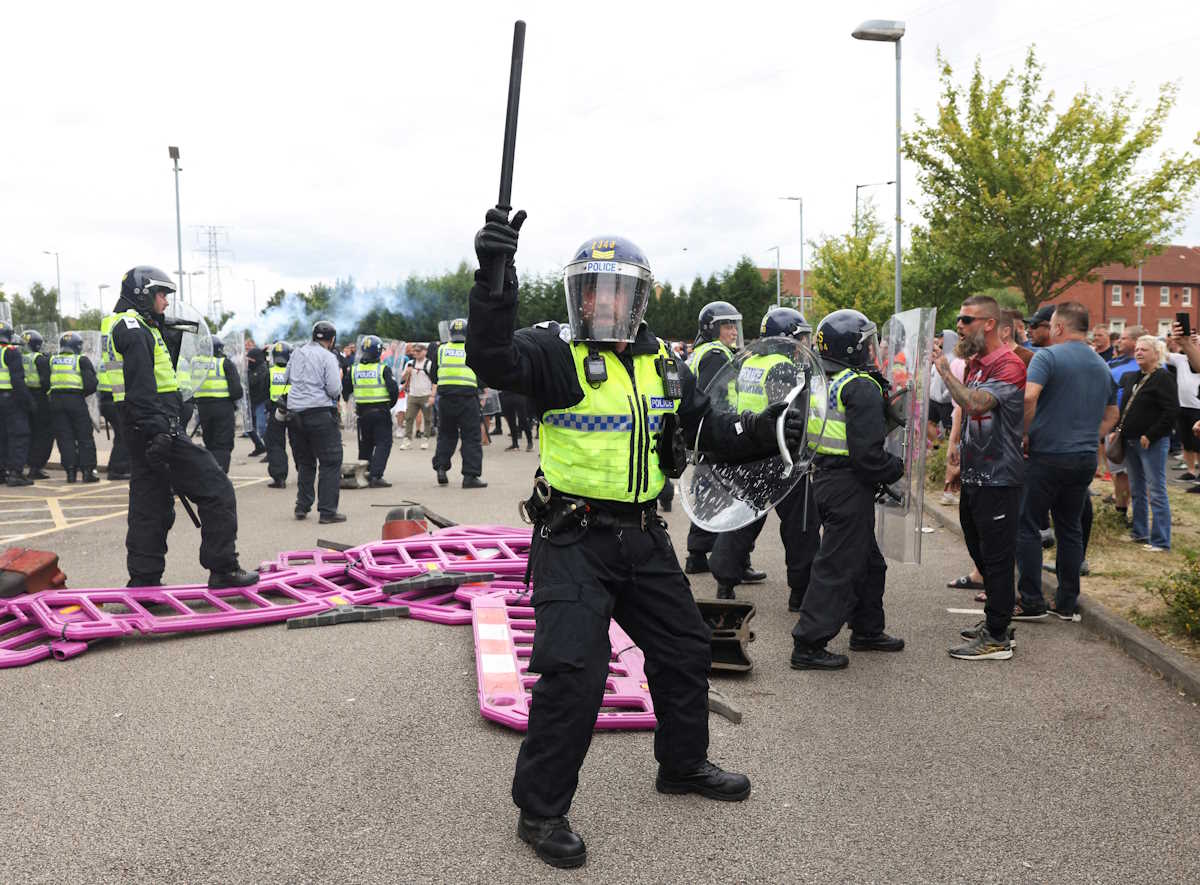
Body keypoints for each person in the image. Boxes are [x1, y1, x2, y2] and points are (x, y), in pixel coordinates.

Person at [468, 214, 803, 870]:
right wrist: (493, 276)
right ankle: (540, 808)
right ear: (577, 296)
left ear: (638, 300)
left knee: (684, 646)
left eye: (617, 290)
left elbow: (712, 431)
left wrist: (777, 428)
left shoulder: (663, 364)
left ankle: (682, 764)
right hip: (572, 538)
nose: (603, 301)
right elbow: (489, 356)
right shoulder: (553, 353)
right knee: (575, 674)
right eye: (592, 289)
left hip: (644, 536)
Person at [108, 266, 256, 588]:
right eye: (160, 294)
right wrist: (160, 431)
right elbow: (142, 387)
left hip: (137, 428)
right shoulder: (134, 329)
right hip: (155, 425)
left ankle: (144, 580)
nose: (164, 301)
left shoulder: (121, 325)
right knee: (217, 488)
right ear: (142, 293)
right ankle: (223, 568)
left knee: (150, 505)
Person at [789, 309, 906, 670]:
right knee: (837, 566)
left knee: (870, 563)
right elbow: (868, 457)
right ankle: (808, 643)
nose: (873, 349)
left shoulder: (823, 378)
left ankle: (868, 628)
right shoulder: (860, 386)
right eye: (868, 342)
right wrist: (896, 468)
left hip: (826, 478)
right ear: (854, 348)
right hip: (848, 485)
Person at [934, 296, 1027, 660]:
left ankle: (997, 636)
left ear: (989, 323)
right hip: (976, 473)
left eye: (966, 319)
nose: (959, 325)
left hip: (999, 477)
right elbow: (968, 415)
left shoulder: (1008, 364)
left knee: (998, 557)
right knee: (980, 552)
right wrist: (956, 452)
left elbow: (975, 404)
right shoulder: (976, 363)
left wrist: (945, 371)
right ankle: (997, 620)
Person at [710, 308, 819, 606]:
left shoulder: (751, 363)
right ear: (786, 338)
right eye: (800, 337)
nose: (805, 343)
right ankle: (800, 591)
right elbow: (787, 415)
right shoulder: (782, 367)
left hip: (751, 452)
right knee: (801, 526)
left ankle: (725, 581)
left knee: (743, 520)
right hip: (780, 456)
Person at [1018, 302, 1119, 621]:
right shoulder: (1102, 365)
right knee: (1070, 527)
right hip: (1084, 456)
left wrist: (1024, 433)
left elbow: (1029, 397)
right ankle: (1066, 601)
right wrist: (1090, 433)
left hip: (1047, 454)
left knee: (1027, 524)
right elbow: (1113, 414)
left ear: (1058, 327)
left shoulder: (1047, 356)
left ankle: (1031, 599)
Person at [682, 300, 756, 578]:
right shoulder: (715, 354)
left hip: (705, 434)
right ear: (712, 329)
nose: (734, 332)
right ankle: (731, 563)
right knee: (728, 498)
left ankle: (697, 554)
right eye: (727, 326)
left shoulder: (704, 351)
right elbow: (716, 396)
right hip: (717, 434)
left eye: (734, 325)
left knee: (709, 494)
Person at [1114, 335, 1178, 551]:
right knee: (1137, 489)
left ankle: (1161, 540)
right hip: (1130, 440)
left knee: (1156, 490)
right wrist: (1118, 431)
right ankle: (1140, 532)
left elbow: (1171, 412)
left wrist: (1151, 434)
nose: (1139, 352)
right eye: (1138, 349)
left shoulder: (1163, 378)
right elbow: (1124, 408)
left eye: (1144, 350)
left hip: (1152, 443)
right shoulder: (1131, 376)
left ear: (1156, 353)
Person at [284, 321, 346, 524]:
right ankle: (327, 512)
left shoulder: (297, 352)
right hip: (319, 413)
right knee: (330, 461)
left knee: (305, 462)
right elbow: (334, 390)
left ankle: (302, 506)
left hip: (295, 414)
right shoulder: (328, 357)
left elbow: (287, 378)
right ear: (332, 339)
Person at [431, 318, 486, 488]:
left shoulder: (441, 350)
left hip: (446, 398)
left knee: (446, 434)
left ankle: (441, 468)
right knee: (471, 437)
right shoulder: (473, 350)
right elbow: (483, 374)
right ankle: (470, 477)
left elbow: (433, 374)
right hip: (468, 399)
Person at [48, 332, 100, 483]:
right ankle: (87, 472)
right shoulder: (81, 360)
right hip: (76, 400)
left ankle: (70, 473)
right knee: (84, 437)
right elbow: (91, 384)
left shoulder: (52, 360)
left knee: (65, 438)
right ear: (78, 346)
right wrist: (81, 394)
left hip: (56, 402)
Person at [352, 334, 399, 488]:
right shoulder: (383, 369)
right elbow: (393, 391)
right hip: (380, 411)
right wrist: (388, 406)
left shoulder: (354, 370)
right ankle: (376, 476)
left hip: (362, 413)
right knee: (383, 443)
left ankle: (363, 474)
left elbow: (346, 389)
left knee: (365, 444)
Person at [191, 338, 244, 474]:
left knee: (209, 441)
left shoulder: (194, 362)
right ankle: (219, 476)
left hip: (202, 408)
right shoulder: (224, 363)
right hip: (222, 407)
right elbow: (237, 391)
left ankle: (210, 472)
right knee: (222, 444)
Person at [1164, 326, 1200, 487]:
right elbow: (1162, 356)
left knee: (1198, 442)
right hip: (1183, 405)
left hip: (1198, 406)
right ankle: (1191, 471)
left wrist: (1191, 343)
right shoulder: (1180, 359)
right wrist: (1169, 341)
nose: (1191, 340)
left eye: (1195, 339)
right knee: (1186, 440)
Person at [0, 322, 35, 486]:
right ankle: (15, 473)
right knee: (19, 435)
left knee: (2, 436)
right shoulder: (11, 352)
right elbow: (17, 380)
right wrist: (28, 401)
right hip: (10, 399)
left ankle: (2, 473)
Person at [98, 314, 131, 480]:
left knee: (121, 434)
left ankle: (116, 466)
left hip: (106, 400)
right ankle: (117, 470)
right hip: (115, 398)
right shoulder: (121, 357)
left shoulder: (105, 357)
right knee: (123, 435)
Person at [21, 331, 54, 480]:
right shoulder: (39, 359)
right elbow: (47, 382)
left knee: (29, 433)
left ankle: (25, 464)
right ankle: (36, 467)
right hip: (40, 398)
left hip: (24, 397)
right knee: (44, 434)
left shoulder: (19, 357)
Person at [265, 341, 292, 489]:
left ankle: (279, 477)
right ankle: (305, 473)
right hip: (295, 409)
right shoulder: (297, 370)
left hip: (276, 410)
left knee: (275, 443)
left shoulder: (269, 371)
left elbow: (263, 391)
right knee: (299, 444)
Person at [400, 343, 434, 450]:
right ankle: (407, 440)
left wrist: (432, 395)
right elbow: (403, 378)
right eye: (414, 351)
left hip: (426, 395)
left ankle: (425, 439)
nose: (416, 353)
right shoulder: (410, 363)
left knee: (427, 418)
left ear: (425, 352)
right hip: (413, 394)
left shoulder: (429, 364)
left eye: (418, 351)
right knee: (409, 417)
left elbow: (435, 380)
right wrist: (407, 372)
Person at [245, 344, 269, 457]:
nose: (249, 362)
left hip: (261, 401)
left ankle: (271, 452)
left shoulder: (263, 368)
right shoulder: (251, 368)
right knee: (248, 426)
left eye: (250, 360)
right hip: (252, 401)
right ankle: (259, 446)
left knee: (262, 427)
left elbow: (253, 382)